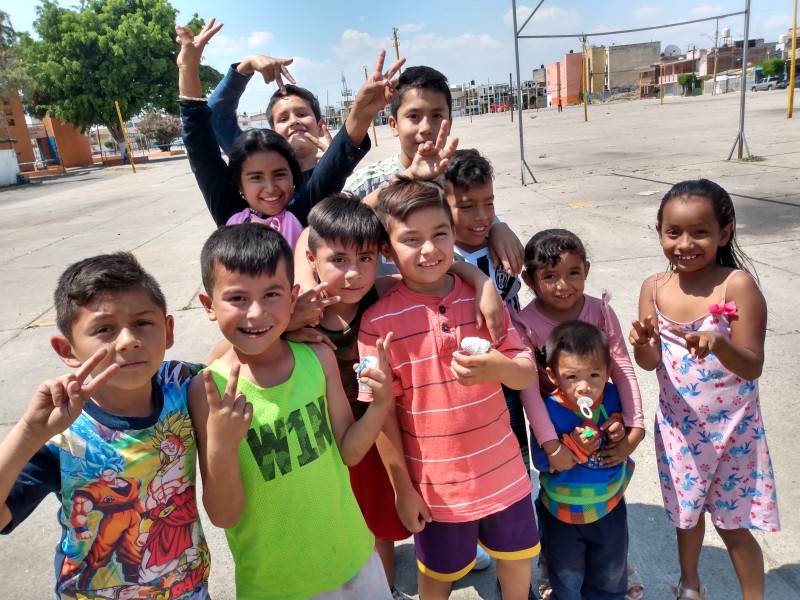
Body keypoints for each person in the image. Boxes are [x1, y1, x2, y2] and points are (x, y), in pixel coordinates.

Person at [300, 193, 508, 597]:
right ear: (313, 261)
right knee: (343, 522)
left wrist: (481, 280)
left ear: (379, 255)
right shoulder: (302, 312)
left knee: (385, 521)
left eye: (364, 259)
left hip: (384, 428)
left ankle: (389, 588)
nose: (353, 274)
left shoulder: (380, 292)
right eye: (338, 261)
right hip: (330, 439)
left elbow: (438, 269)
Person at [190, 223, 396, 599]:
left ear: (293, 297)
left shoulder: (317, 357)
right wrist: (220, 444)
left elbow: (349, 451)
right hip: (277, 584)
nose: (256, 313)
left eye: (272, 294)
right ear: (208, 306)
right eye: (237, 298)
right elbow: (224, 516)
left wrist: (380, 405)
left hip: (355, 558)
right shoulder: (209, 392)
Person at [357, 178, 540, 600]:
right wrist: (403, 489)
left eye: (440, 234)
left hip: (504, 473)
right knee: (436, 578)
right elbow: (382, 414)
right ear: (387, 249)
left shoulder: (480, 301)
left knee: (517, 566)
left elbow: (525, 374)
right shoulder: (377, 323)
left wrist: (500, 368)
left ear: (453, 235)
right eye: (411, 239)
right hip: (437, 486)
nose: (429, 249)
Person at [0, 252, 210, 599]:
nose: (128, 340)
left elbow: (238, 356)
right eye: (104, 329)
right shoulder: (62, 435)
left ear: (168, 330)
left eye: (143, 322)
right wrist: (28, 433)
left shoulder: (181, 382)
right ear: (67, 350)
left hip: (189, 589)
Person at [630, 179, 779, 600]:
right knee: (686, 517)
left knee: (734, 525)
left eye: (700, 232)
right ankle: (690, 583)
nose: (685, 244)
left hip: (734, 433)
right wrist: (643, 347)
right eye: (673, 232)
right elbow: (651, 362)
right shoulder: (653, 288)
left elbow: (753, 364)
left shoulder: (737, 286)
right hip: (680, 431)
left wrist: (720, 344)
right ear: (659, 232)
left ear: (724, 232)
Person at [513, 228, 645, 600]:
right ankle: (555, 565)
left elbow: (621, 366)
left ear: (586, 269)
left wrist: (634, 429)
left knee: (605, 497)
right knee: (560, 496)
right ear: (529, 280)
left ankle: (613, 564)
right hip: (555, 418)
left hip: (600, 414)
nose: (562, 285)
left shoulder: (600, 311)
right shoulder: (525, 324)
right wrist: (551, 444)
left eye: (573, 272)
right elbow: (527, 389)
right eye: (549, 276)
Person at [176, 18, 402, 228]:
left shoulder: (308, 204)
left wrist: (361, 112)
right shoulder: (232, 210)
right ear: (239, 184)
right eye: (255, 177)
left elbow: (337, 164)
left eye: (280, 174)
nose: (270, 187)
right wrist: (190, 68)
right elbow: (201, 150)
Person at [343, 65, 526, 278]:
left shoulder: (456, 174)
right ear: (393, 124)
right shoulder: (367, 182)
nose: (426, 127)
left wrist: (497, 227)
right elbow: (332, 226)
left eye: (437, 115)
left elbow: (474, 212)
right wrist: (408, 176)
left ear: (450, 122)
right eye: (413, 116)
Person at [532, 320, 636, 600]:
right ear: (553, 376)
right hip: (562, 511)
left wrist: (617, 427)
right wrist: (572, 445)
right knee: (566, 575)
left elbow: (622, 420)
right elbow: (542, 461)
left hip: (609, 505)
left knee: (610, 573)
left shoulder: (612, 396)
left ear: (608, 371)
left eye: (594, 375)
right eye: (572, 377)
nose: (584, 387)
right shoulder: (548, 411)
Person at [443, 149, 529, 470]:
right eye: (466, 207)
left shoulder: (502, 245)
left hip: (508, 371)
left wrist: (500, 225)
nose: (481, 216)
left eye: (489, 203)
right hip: (463, 382)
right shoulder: (440, 256)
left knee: (514, 460)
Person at [208, 54, 332, 172]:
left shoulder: (339, 170)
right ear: (274, 134)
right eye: (283, 119)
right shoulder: (257, 164)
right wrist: (246, 66)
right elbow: (217, 116)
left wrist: (337, 165)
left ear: (321, 127)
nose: (294, 121)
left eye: (302, 114)